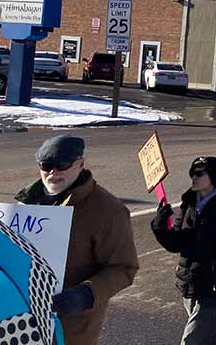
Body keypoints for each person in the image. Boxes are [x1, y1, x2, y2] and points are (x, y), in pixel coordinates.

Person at [15, 135, 139, 345]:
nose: (53, 172)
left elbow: (124, 268)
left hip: (70, 326)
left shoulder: (108, 211)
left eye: (62, 165)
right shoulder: (27, 203)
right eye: (46, 165)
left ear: (80, 164)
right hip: (23, 318)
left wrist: (86, 294)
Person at [151, 156, 216, 345]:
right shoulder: (190, 204)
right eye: (192, 173)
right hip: (192, 282)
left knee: (191, 339)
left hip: (214, 287)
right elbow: (176, 244)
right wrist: (160, 226)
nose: (193, 177)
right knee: (208, 335)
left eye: (199, 173)